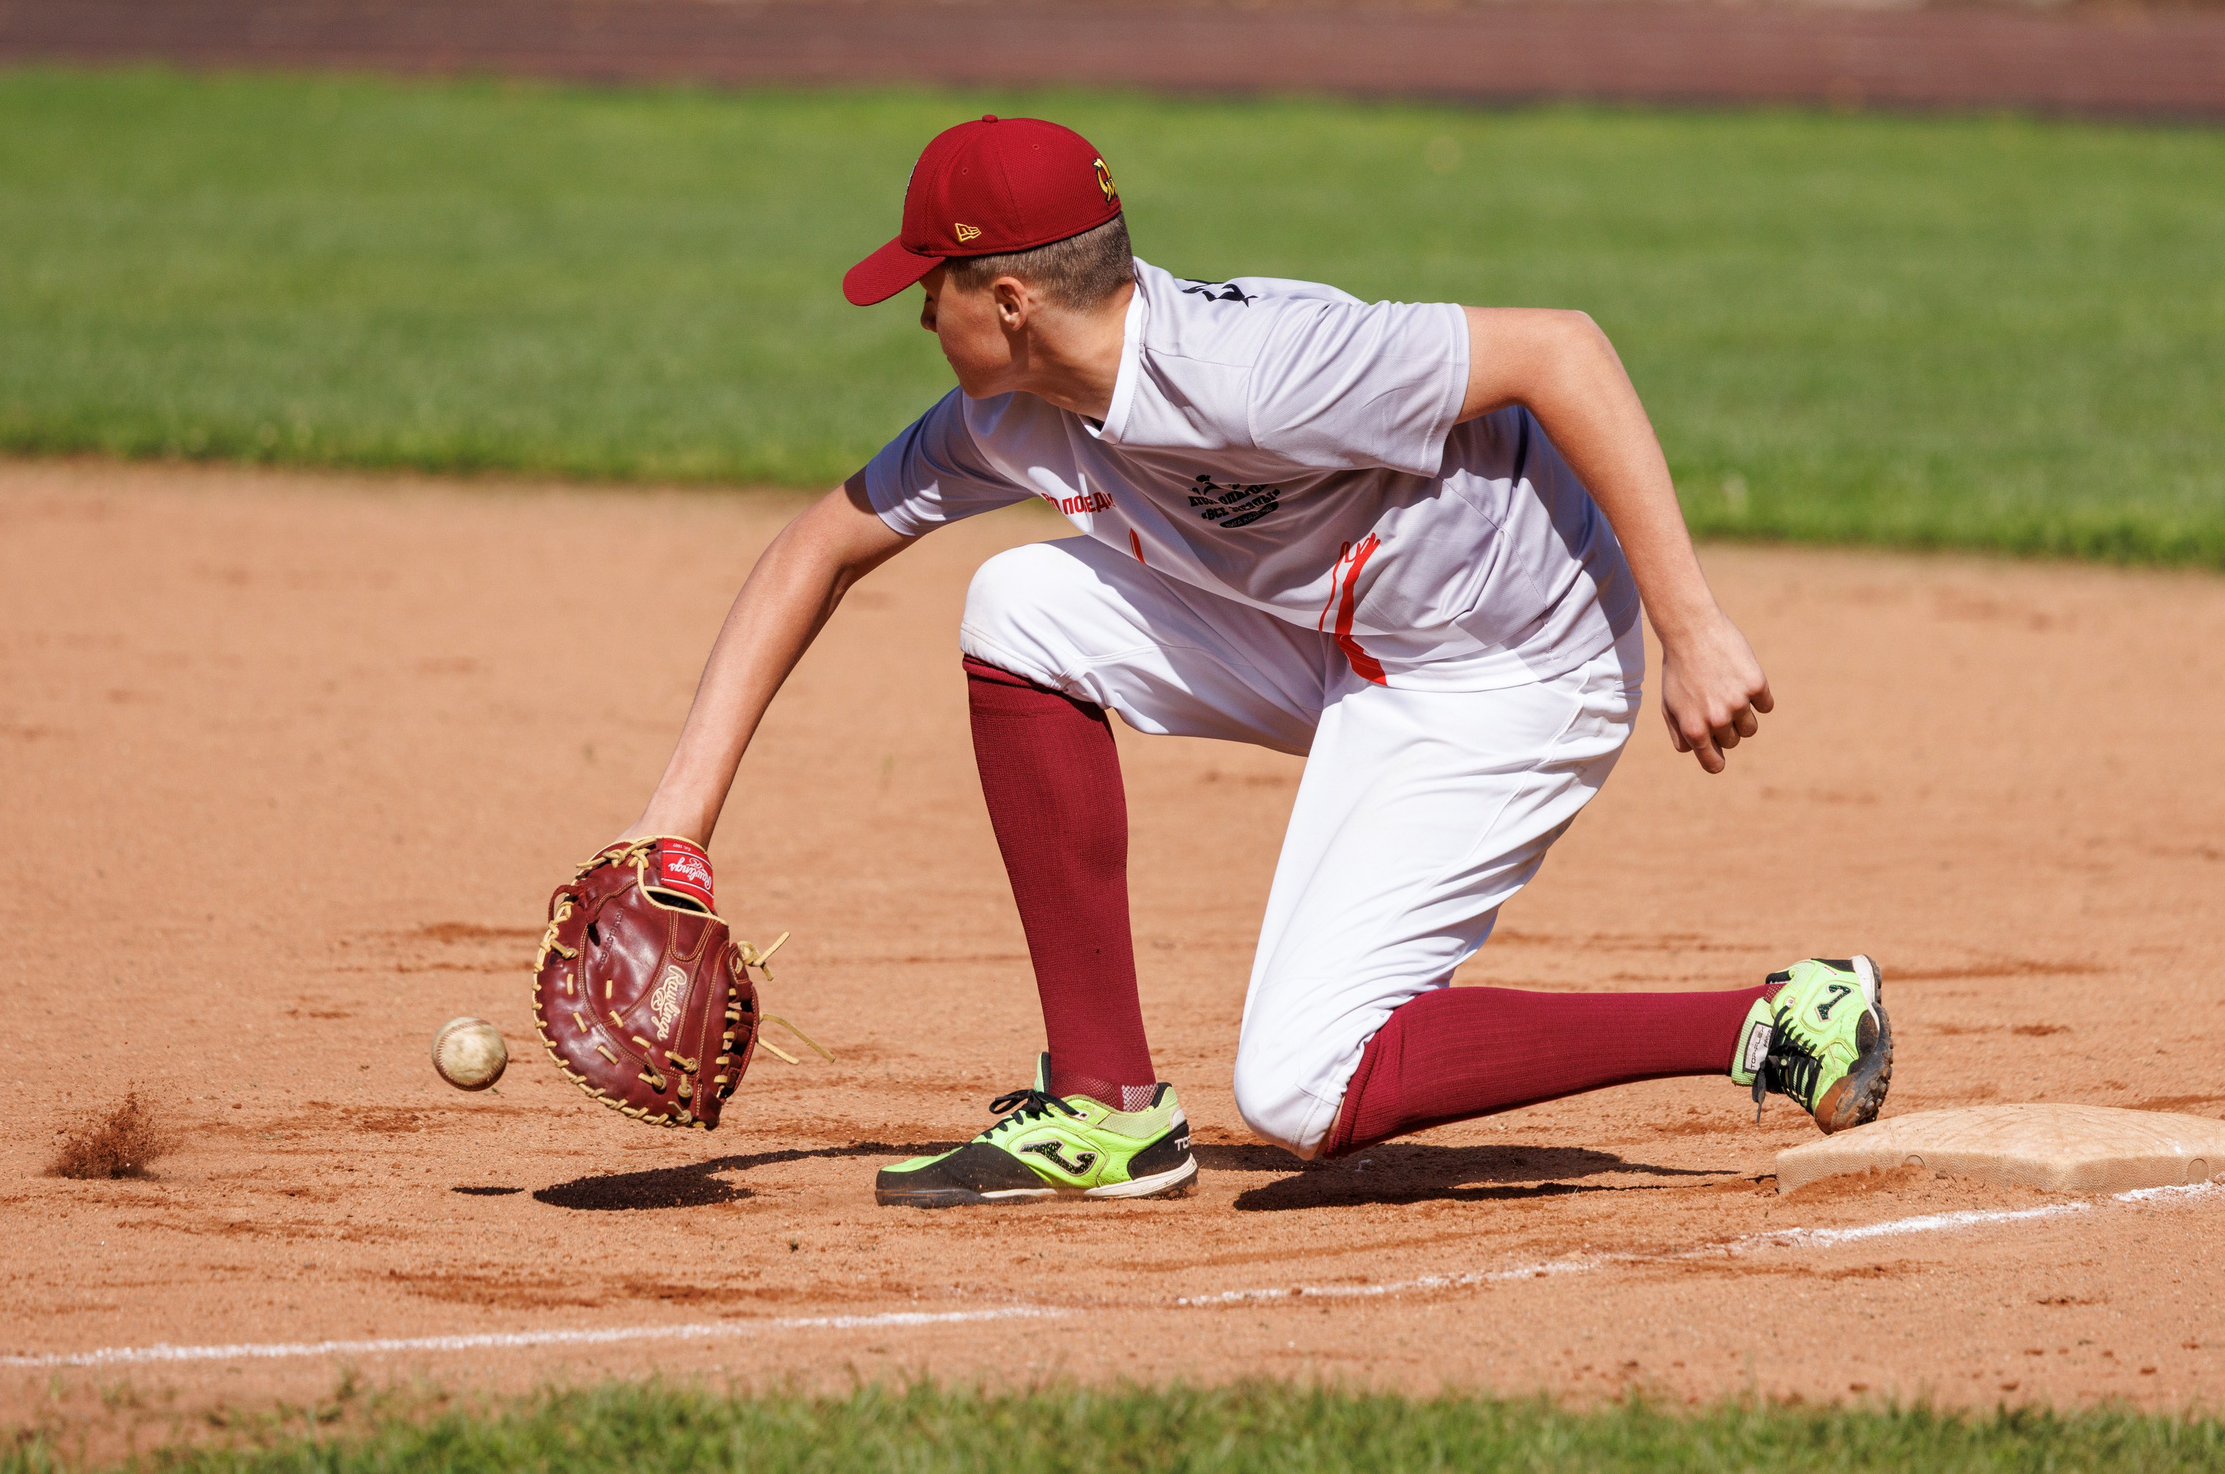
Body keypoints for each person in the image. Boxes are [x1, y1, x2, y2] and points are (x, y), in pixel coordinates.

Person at [611, 115, 1892, 1207]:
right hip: (1335, 637)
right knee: (1017, 601)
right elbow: (814, 549)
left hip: (1511, 664)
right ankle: (1103, 1107)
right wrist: (674, 835)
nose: (911, 309)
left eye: (925, 284)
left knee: (1299, 1087)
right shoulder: (1006, 421)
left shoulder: (1255, 371)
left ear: (1006, 301)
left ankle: (1775, 1016)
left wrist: (1691, 626)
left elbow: (1560, 349)